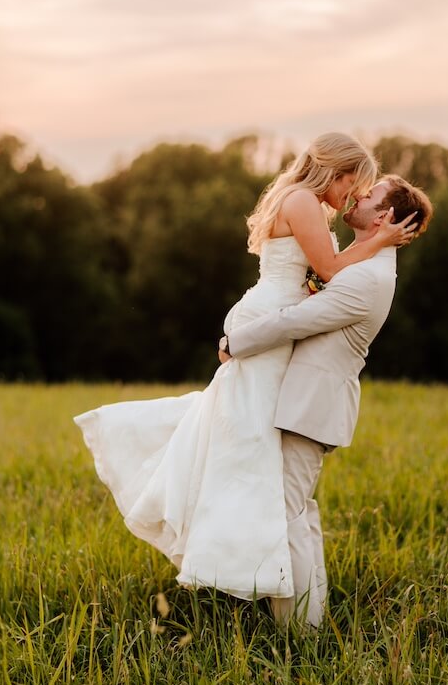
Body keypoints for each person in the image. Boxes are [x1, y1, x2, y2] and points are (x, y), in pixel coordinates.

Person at [73, 134, 416, 602]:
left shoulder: (301, 201)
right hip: (270, 317)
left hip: (271, 316)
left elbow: (322, 278)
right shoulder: (304, 202)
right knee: (249, 446)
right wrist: (378, 239)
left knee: (245, 441)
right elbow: (331, 270)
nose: (354, 196)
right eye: (355, 184)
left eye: (363, 194)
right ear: (340, 171)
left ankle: (255, 569)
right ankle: (256, 575)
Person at [219, 175, 433, 628]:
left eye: (370, 196)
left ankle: (299, 633)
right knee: (298, 511)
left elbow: (300, 319)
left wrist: (234, 342)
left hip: (311, 407)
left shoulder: (370, 279)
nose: (359, 195)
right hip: (305, 403)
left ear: (384, 217)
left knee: (285, 514)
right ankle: (309, 619)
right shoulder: (368, 265)